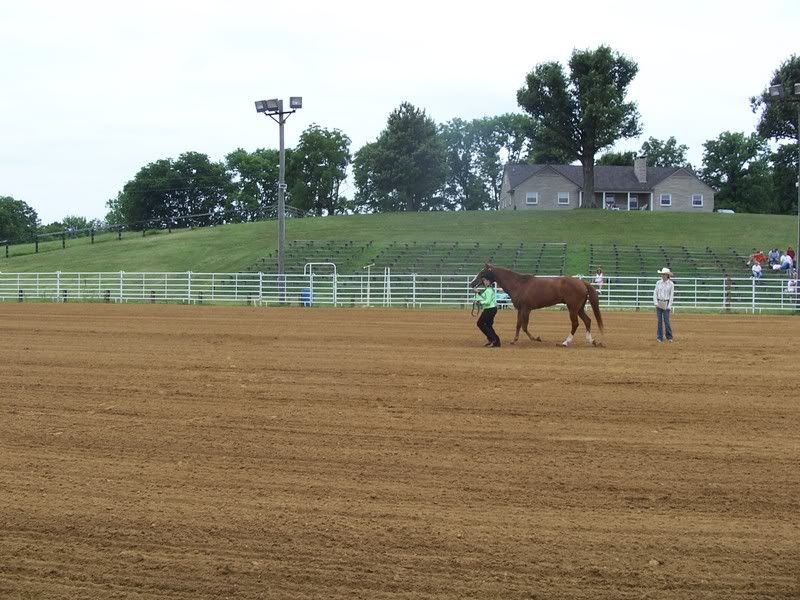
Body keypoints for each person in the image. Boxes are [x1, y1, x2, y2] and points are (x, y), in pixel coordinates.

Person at [472, 274, 501, 347]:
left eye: (486, 280)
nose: (485, 282)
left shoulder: (488, 290)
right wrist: (478, 293)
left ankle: (493, 340)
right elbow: (482, 298)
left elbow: (487, 301)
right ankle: (495, 340)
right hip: (490, 309)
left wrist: (479, 302)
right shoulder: (488, 290)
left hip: (489, 309)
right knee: (488, 325)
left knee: (480, 323)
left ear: (489, 281)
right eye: (484, 280)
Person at [653, 267, 675, 342]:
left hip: (666, 302)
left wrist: (669, 306)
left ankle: (669, 336)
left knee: (666, 320)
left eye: (664, 274)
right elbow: (655, 293)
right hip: (659, 302)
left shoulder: (671, 284)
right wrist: (656, 303)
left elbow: (671, 295)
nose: (663, 275)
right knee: (659, 320)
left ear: (667, 275)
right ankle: (659, 337)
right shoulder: (658, 283)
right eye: (662, 274)